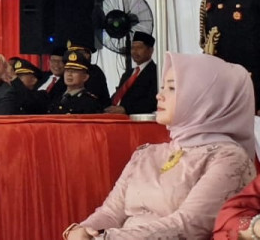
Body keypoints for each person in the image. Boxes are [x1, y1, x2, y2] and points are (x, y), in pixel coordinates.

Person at [66, 53, 255, 240]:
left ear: (205, 98)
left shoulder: (229, 158)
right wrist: (82, 230)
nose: (159, 96)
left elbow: (188, 225)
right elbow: (111, 212)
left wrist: (105, 238)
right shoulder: (147, 153)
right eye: (163, 87)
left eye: (172, 88)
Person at [107, 31, 159, 115]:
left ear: (150, 50)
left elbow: (152, 101)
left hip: (136, 121)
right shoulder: (127, 74)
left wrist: (125, 109)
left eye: (139, 48)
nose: (134, 52)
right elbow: (119, 95)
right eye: (132, 48)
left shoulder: (156, 72)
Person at [48, 48, 104, 115]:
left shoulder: (89, 102)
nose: (69, 74)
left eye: (74, 71)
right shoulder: (58, 98)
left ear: (85, 77)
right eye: (67, 70)